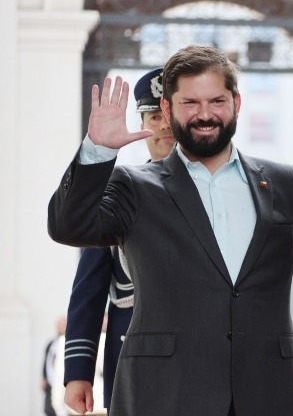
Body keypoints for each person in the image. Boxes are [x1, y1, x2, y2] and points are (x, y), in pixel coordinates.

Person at [48, 44, 293, 415]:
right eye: (190, 103)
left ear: (236, 104)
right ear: (167, 109)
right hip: (164, 395)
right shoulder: (133, 186)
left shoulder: (284, 183)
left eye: (217, 101)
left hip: (266, 395)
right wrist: (97, 151)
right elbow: (68, 226)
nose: (205, 114)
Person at [62, 68, 175, 415]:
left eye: (169, 115)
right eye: (153, 116)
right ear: (142, 125)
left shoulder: (217, 194)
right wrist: (78, 373)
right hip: (132, 353)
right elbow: (89, 289)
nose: (163, 127)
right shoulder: (117, 193)